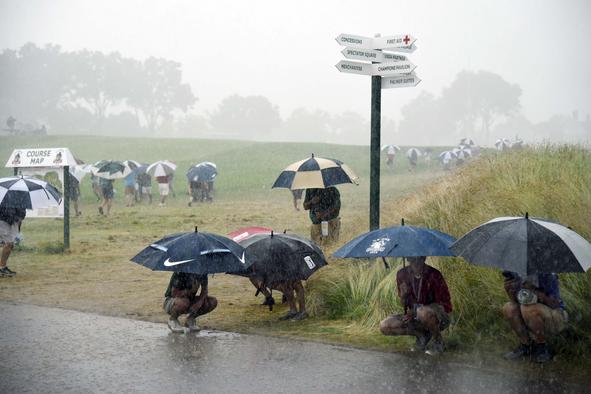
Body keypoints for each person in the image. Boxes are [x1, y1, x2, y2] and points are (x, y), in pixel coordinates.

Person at [379, 256, 452, 355]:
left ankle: (438, 341)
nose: (416, 262)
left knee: (423, 312)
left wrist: (416, 311)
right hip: (414, 316)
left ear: (424, 258)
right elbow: (404, 304)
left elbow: (444, 304)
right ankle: (422, 336)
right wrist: (404, 296)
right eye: (412, 259)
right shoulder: (402, 274)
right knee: (385, 326)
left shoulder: (434, 274)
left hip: (437, 316)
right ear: (408, 259)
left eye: (419, 258)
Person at [501, 271, 567, 363]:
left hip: (556, 316)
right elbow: (516, 302)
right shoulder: (518, 277)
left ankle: (542, 347)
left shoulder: (547, 276)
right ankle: (526, 346)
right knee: (509, 308)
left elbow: (555, 304)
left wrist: (536, 292)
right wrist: (510, 291)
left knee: (528, 309)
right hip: (531, 317)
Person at [0, 207, 26, 277]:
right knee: (9, 244)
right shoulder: (7, 199)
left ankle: (3, 267)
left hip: (12, 222)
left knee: (10, 245)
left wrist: (18, 231)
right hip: (4, 221)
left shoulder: (21, 202)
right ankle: (2, 268)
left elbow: (21, 217)